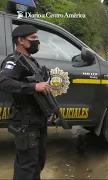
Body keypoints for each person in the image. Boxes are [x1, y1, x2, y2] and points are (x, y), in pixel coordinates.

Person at [0, 24, 51, 179]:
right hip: (25, 122)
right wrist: (34, 86)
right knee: (27, 167)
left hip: (38, 120)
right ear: (21, 40)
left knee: (38, 163)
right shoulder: (13, 61)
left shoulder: (31, 61)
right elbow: (3, 81)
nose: (37, 41)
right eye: (33, 38)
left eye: (37, 37)